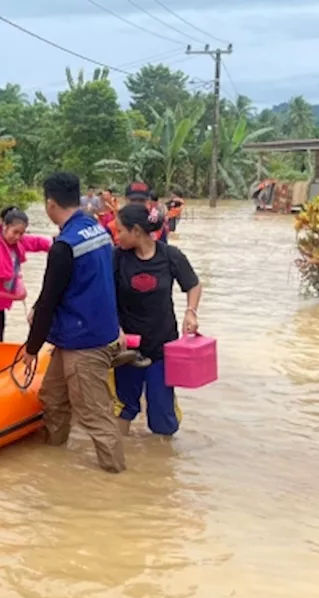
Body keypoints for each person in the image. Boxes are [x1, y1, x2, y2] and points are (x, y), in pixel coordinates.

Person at [21, 172, 127, 473]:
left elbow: (51, 298)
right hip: (83, 332)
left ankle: (117, 480)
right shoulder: (96, 229)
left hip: (85, 342)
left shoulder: (64, 246)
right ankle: (55, 463)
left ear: (50, 204)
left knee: (95, 414)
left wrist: (31, 348)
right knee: (52, 398)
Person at [113, 204, 202, 437]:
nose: (117, 235)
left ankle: (163, 465)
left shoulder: (170, 256)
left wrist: (191, 311)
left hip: (162, 347)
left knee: (162, 413)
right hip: (127, 350)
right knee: (124, 406)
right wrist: (116, 328)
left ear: (136, 232)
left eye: (120, 230)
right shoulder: (117, 258)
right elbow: (103, 298)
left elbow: (193, 285)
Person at [0, 206, 52, 342]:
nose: (18, 237)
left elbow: (38, 243)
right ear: (4, 226)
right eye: (15, 232)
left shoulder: (18, 242)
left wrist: (58, 245)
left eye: (21, 233)